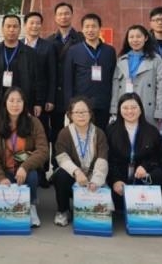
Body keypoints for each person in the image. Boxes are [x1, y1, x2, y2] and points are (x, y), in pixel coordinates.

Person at [0, 87, 49, 227]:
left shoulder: (34, 123)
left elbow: (43, 150)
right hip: (5, 172)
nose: (15, 105)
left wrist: (25, 167)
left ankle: (31, 206)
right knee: (1, 199)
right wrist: (1, 178)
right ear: (5, 103)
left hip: (25, 171)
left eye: (19, 101)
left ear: (24, 103)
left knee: (32, 175)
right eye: (11, 101)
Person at [106, 92, 162, 216]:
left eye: (134, 107)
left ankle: (159, 214)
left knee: (159, 175)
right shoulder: (111, 130)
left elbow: (158, 156)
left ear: (140, 109)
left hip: (142, 177)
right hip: (120, 179)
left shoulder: (151, 131)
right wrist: (115, 180)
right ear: (119, 110)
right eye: (125, 108)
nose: (130, 111)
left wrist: (145, 166)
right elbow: (109, 159)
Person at [51, 96, 108, 227]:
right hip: (74, 177)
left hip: (93, 176)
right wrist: (76, 172)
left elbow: (102, 158)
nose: (81, 115)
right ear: (70, 115)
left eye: (84, 112)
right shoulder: (64, 133)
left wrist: (96, 180)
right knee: (60, 175)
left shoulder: (99, 133)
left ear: (90, 114)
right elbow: (62, 157)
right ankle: (63, 210)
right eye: (77, 112)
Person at [63, 13, 116, 130]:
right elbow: (68, 80)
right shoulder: (73, 50)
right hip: (81, 104)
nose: (90, 30)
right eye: (87, 27)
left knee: (102, 135)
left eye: (94, 26)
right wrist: (69, 104)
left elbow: (113, 78)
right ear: (82, 29)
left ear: (100, 28)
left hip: (103, 103)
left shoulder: (109, 51)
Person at [110, 24, 162, 129]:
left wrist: (160, 111)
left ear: (145, 38)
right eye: (131, 37)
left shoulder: (156, 59)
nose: (135, 40)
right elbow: (115, 86)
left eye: (138, 36)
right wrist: (114, 109)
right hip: (126, 107)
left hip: (147, 107)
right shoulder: (121, 60)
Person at [23, 11, 56, 187]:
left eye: (38, 23)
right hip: (21, 100)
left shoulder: (47, 47)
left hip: (40, 101)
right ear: (25, 25)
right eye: (31, 23)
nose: (34, 26)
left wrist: (48, 99)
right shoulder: (19, 45)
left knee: (41, 135)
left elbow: (52, 74)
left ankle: (42, 171)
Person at [0, 14, 43, 118]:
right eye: (8, 26)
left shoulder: (30, 53)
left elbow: (37, 79)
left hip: (24, 101)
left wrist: (38, 102)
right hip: (0, 102)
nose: (11, 30)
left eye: (15, 26)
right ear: (2, 29)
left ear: (20, 29)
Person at [46, 2, 83, 156]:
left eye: (67, 13)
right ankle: (57, 163)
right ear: (55, 17)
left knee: (78, 131)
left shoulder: (81, 39)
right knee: (56, 132)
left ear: (72, 15)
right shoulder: (49, 41)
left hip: (75, 92)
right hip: (55, 96)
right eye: (60, 14)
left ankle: (77, 161)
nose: (63, 17)